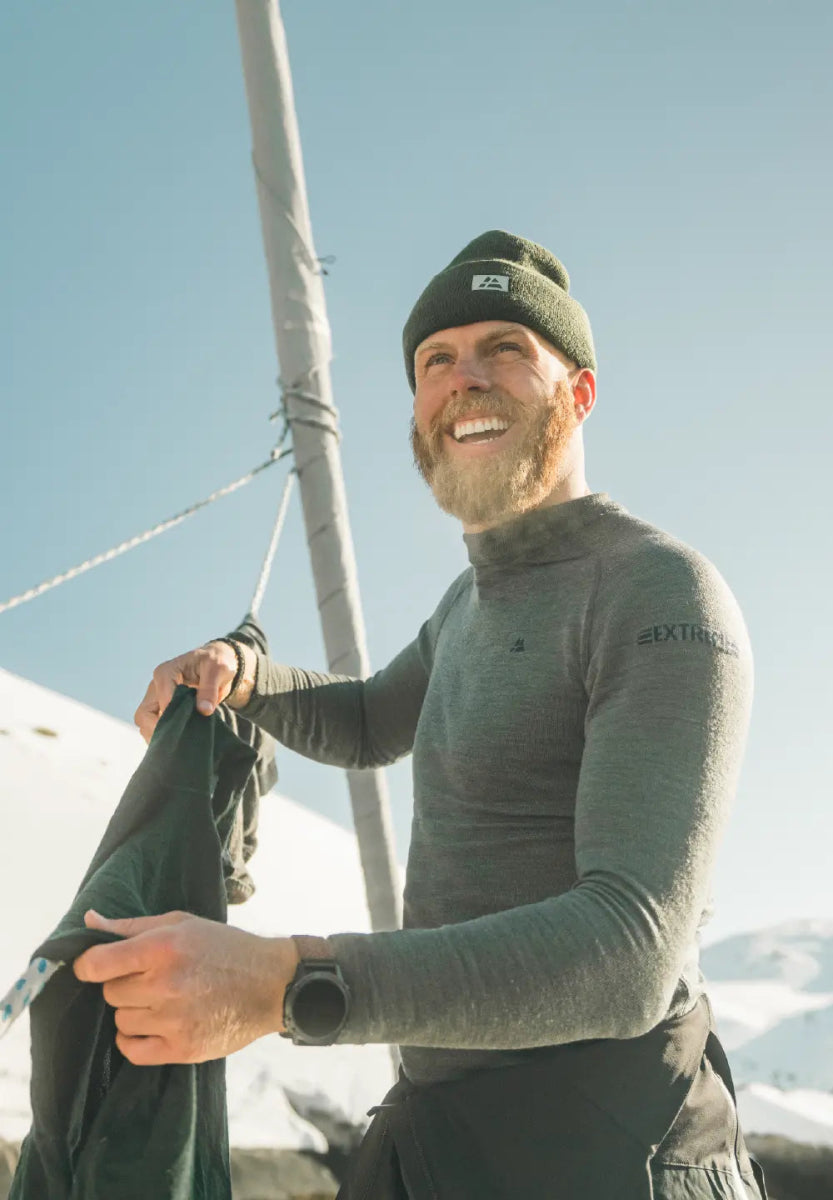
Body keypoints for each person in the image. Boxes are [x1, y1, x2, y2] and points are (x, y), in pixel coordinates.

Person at [73, 231, 765, 1198]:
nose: (463, 380)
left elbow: (631, 952)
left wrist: (287, 984)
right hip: (439, 1125)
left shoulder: (656, 590)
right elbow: (367, 723)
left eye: (506, 350)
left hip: (608, 1138)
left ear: (580, 392)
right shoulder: (463, 607)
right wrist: (244, 672)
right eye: (436, 361)